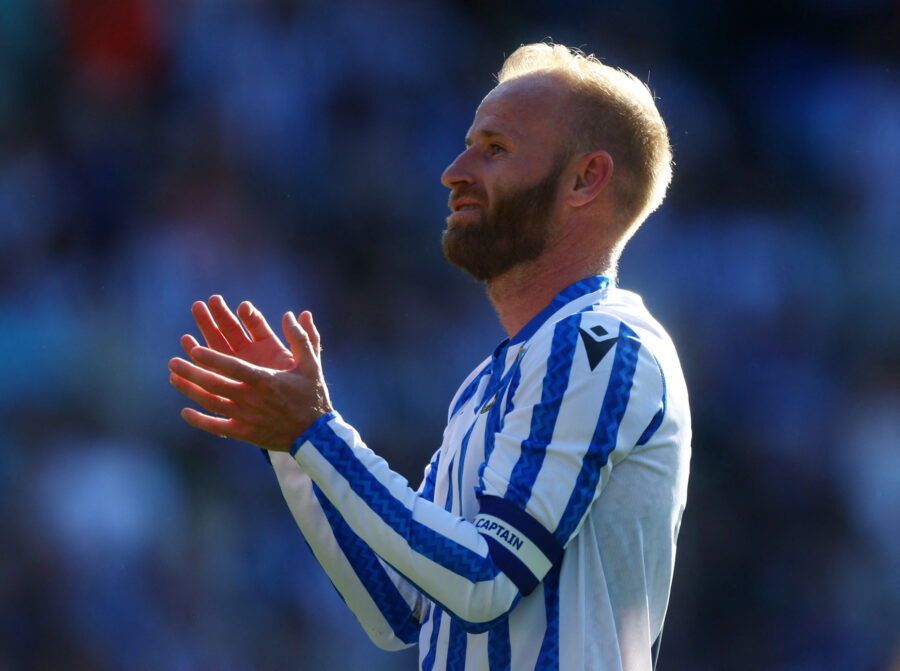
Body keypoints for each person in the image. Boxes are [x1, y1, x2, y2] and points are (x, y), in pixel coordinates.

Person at [168, 42, 691, 671]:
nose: (454, 170)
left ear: (586, 179)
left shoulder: (600, 341)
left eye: (495, 149)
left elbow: (487, 579)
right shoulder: (489, 380)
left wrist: (315, 432)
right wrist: (289, 443)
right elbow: (398, 606)